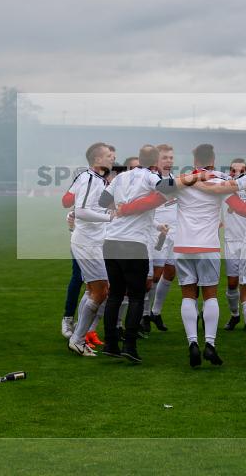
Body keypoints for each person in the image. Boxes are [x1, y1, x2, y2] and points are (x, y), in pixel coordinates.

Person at [156, 143, 246, 368]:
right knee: (211, 295)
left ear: (195, 160)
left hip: (183, 246)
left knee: (188, 296)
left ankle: (192, 343)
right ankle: (210, 345)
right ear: (213, 159)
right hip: (209, 246)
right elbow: (241, 208)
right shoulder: (219, 179)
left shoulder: (183, 180)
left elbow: (160, 189)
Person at [98, 145, 165, 363]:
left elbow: (102, 201)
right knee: (137, 296)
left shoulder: (121, 177)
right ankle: (129, 345)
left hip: (111, 241)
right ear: (155, 160)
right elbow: (167, 190)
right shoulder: (151, 176)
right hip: (133, 242)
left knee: (116, 294)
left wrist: (121, 206)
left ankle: (110, 343)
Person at [67, 142, 115, 357]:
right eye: (108, 155)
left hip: (94, 242)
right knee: (101, 290)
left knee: (96, 290)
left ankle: (79, 335)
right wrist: (110, 217)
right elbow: (82, 211)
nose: (112, 158)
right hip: (87, 243)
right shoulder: (89, 178)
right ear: (97, 160)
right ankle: (78, 339)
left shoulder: (97, 179)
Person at [144, 144, 177, 332]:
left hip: (175, 233)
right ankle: (145, 314)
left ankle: (156, 312)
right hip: (157, 233)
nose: (169, 161)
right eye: (165, 157)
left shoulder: (174, 180)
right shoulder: (151, 181)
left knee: (170, 273)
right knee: (154, 276)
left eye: (171, 157)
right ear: (156, 160)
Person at [221, 158, 246, 330]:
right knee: (232, 283)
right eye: (233, 170)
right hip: (231, 241)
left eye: (241, 170)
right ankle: (235, 315)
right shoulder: (223, 187)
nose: (237, 173)